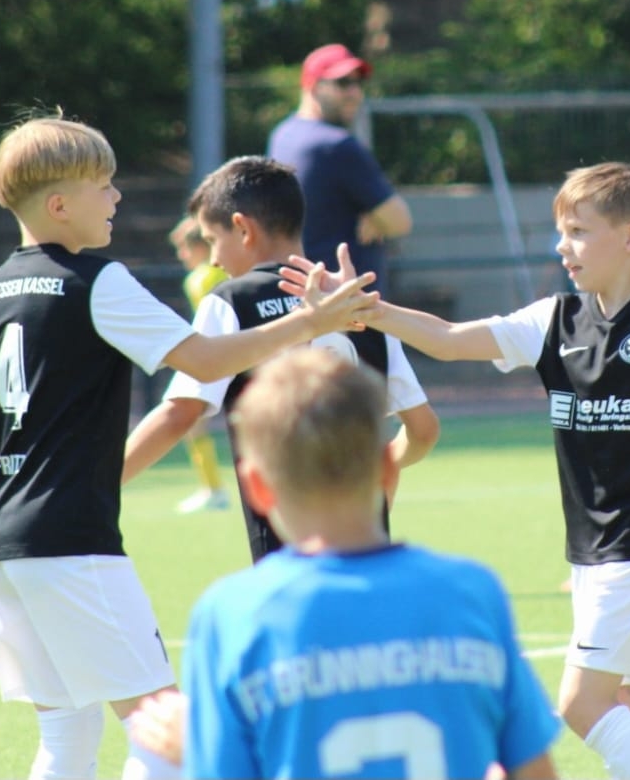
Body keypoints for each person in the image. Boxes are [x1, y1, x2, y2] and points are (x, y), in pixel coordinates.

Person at [0, 114, 376, 780]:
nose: (117, 197)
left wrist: (36, 448)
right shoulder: (97, 281)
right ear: (59, 205)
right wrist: (311, 321)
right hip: (71, 540)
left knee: (66, 737)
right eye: (103, 185)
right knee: (164, 728)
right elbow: (205, 359)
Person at [283, 160, 630, 780]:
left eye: (578, 232)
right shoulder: (555, 319)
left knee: (581, 705)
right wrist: (367, 310)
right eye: (561, 232)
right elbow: (450, 338)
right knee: (624, 706)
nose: (562, 246)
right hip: (596, 547)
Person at [129, 349, 560, 779]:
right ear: (387, 467)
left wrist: (197, 748)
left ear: (257, 487)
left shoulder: (233, 613)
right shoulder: (471, 592)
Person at [123, 156, 439, 562]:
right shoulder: (355, 301)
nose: (214, 259)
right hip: (368, 550)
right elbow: (423, 430)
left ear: (243, 228)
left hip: (287, 552)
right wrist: (369, 472)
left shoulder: (232, 301)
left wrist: (100, 486)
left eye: (212, 240)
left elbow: (180, 414)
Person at [267, 43, 412, 294]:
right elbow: (400, 221)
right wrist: (376, 217)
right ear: (313, 86)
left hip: (301, 298)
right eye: (343, 83)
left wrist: (374, 216)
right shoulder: (336, 145)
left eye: (358, 83)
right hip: (346, 303)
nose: (355, 93)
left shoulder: (282, 135)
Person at [167, 216, 232, 515]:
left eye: (185, 248)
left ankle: (214, 490)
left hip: (216, 356)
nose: (182, 256)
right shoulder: (223, 272)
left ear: (200, 247)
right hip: (235, 351)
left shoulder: (200, 278)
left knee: (191, 422)